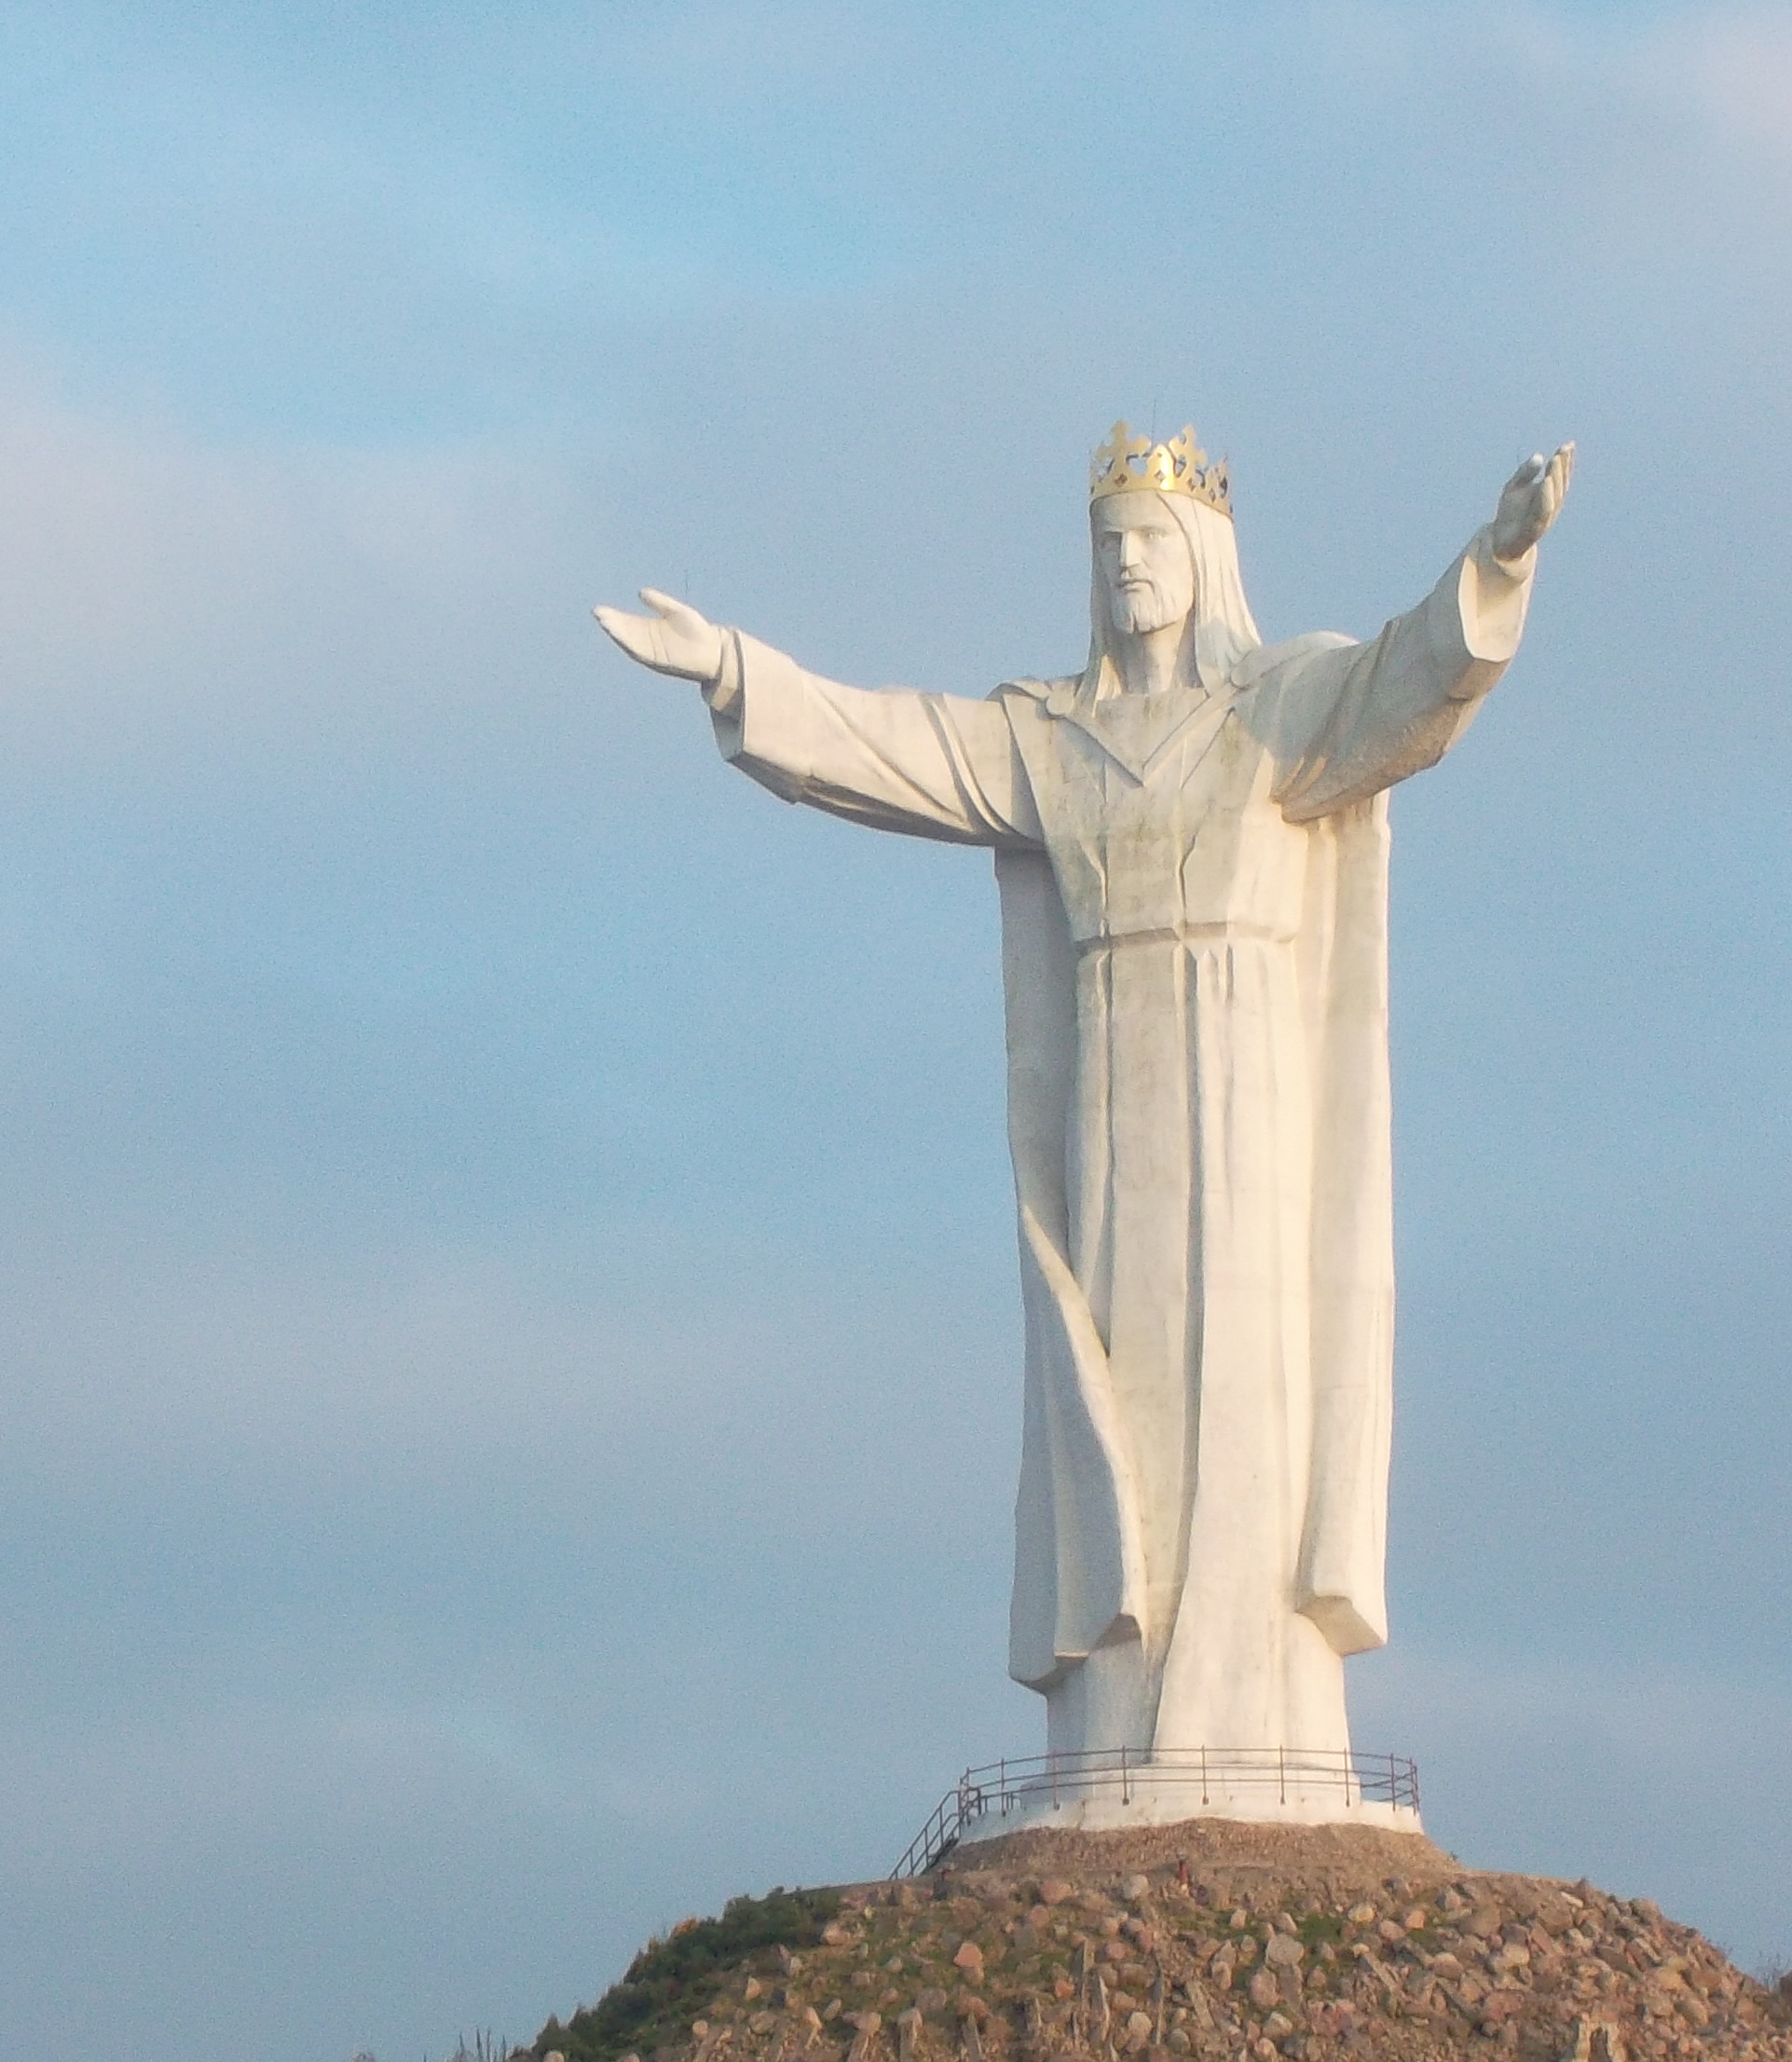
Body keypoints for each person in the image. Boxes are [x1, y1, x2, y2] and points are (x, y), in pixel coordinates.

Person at [595, 426, 1569, 1820]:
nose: (1123, 563)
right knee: (1121, 1394)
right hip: (1119, 1087)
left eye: (1147, 540)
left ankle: (1259, 1712)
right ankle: (1122, 1711)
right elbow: (897, 746)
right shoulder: (1052, 737)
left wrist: (1501, 556)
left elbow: (1413, 680)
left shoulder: (1281, 708)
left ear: (1202, 559)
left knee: (1248, 1392)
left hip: (1250, 1084)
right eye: (1104, 542)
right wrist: (737, 668)